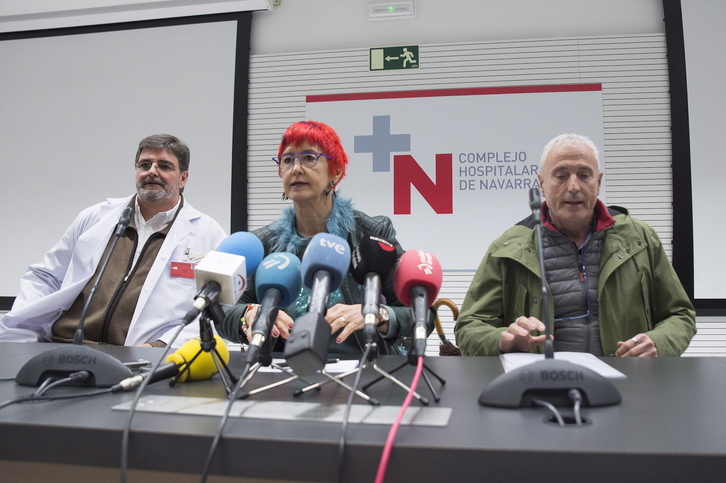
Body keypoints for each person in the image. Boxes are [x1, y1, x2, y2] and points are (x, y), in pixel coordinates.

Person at [454, 133, 696, 357]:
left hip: (628, 387)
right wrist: (503, 339)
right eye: (560, 175)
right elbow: (469, 327)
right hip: (541, 387)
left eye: (584, 174)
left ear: (598, 182)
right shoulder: (508, 248)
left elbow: (681, 315)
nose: (573, 187)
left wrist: (659, 342)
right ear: (542, 183)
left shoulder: (640, 239)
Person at [216, 120, 432, 356]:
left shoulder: (372, 234)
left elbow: (421, 315)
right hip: (284, 372)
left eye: (309, 158)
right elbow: (225, 310)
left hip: (364, 371)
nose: (296, 169)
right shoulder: (264, 244)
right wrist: (248, 313)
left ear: (335, 171)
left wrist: (375, 313)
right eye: (287, 160)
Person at [0, 134, 227, 347]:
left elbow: (220, 309)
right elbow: (46, 277)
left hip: (137, 357)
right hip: (63, 346)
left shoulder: (208, 234)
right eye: (144, 165)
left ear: (183, 178)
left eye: (165, 166)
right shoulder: (96, 217)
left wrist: (160, 347)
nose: (152, 172)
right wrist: (22, 333)